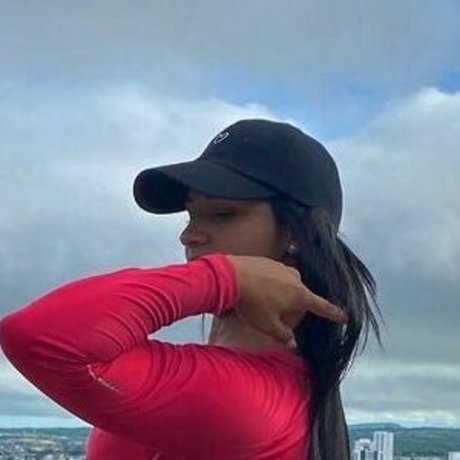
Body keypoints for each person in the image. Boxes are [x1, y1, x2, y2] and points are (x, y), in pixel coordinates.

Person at [0, 119, 381, 459]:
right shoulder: (259, 384)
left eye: (222, 214)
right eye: (191, 216)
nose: (189, 234)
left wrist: (222, 278)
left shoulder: (248, 399)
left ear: (296, 233)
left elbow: (40, 335)